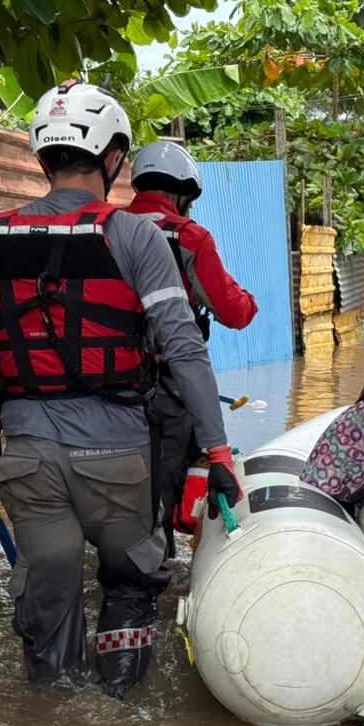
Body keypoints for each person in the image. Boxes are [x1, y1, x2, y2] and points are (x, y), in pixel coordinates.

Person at [0, 81, 241, 697]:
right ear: (112, 159)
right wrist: (217, 453)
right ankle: (119, 702)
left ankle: (54, 715)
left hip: (25, 457)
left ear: (41, 157)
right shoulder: (134, 235)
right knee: (131, 580)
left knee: (48, 585)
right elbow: (184, 350)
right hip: (116, 456)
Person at [126, 141, 258, 557]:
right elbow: (235, 312)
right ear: (184, 194)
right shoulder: (187, 237)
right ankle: (154, 592)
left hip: (100, 388)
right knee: (160, 501)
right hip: (166, 389)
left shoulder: (105, 228)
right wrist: (246, 298)